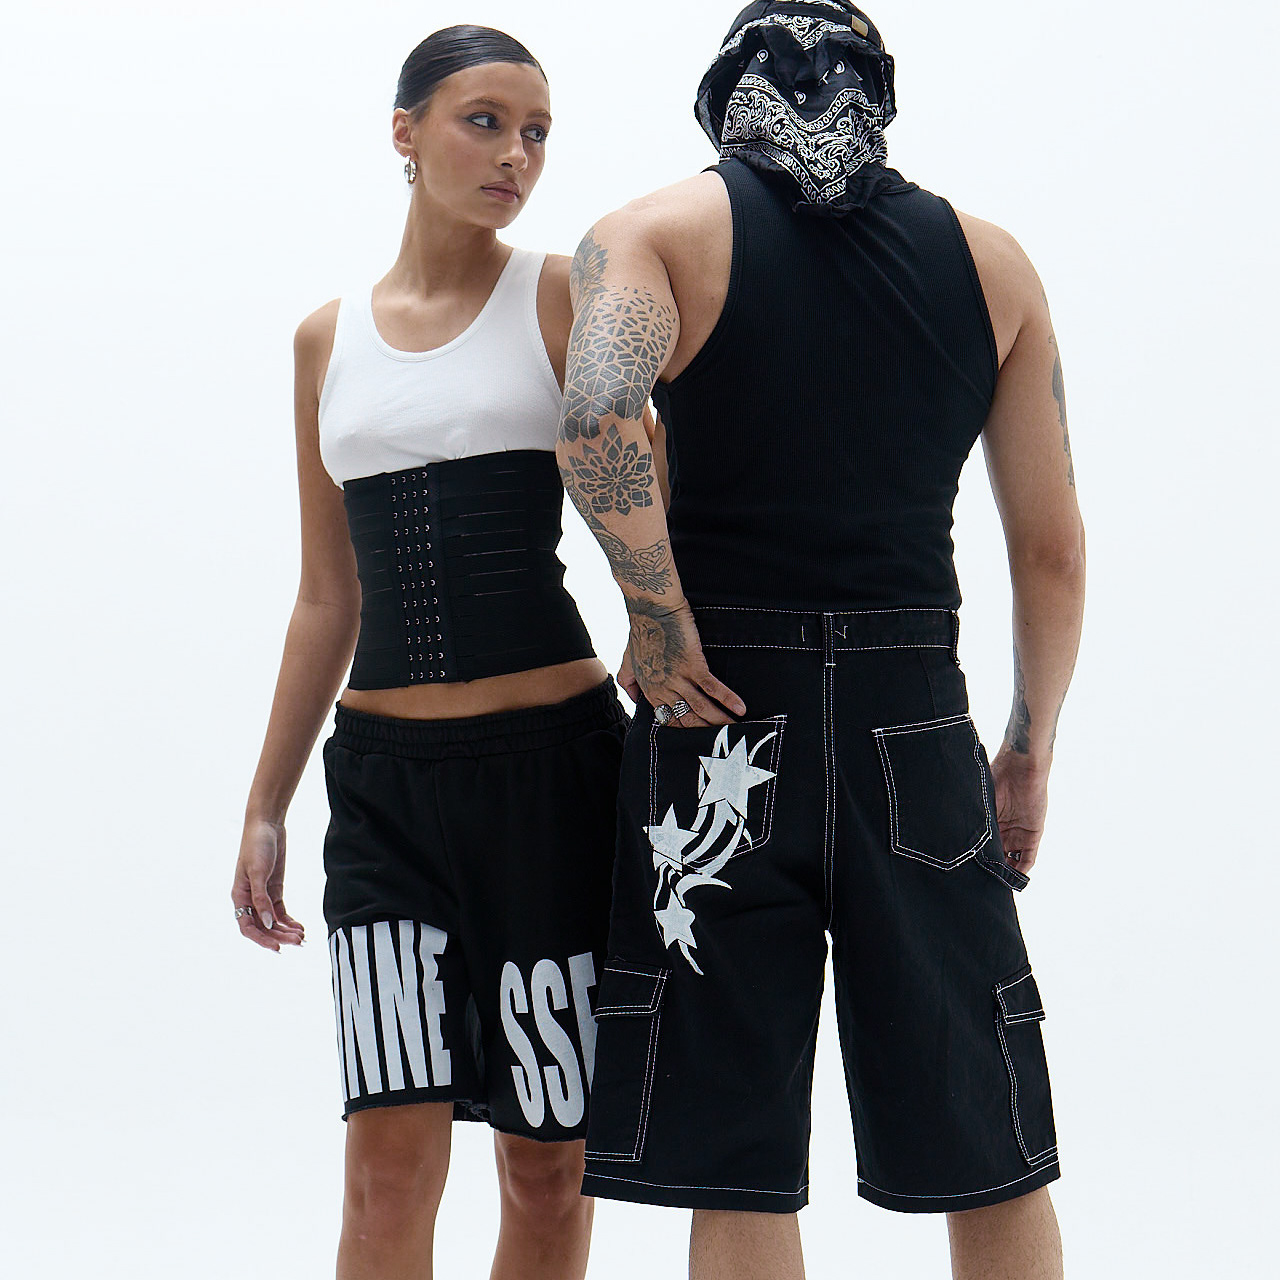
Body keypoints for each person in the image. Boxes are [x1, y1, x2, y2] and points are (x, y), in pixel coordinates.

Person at [554, 3, 1085, 1278]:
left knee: (735, 1139)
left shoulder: (650, 234)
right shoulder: (992, 263)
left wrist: (656, 615)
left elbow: (593, 417)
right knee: (982, 1123)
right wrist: (1024, 751)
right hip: (915, 716)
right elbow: (1050, 548)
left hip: (716, 708)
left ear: (720, 90)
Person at [232, 26, 632, 1280]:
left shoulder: (563, 295)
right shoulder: (325, 339)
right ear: (403, 131)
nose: (516, 154)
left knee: (547, 1165)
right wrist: (265, 804)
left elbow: (652, 495)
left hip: (554, 780)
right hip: (387, 793)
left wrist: (664, 632)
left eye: (537, 132)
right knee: (385, 1169)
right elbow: (324, 596)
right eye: (484, 121)